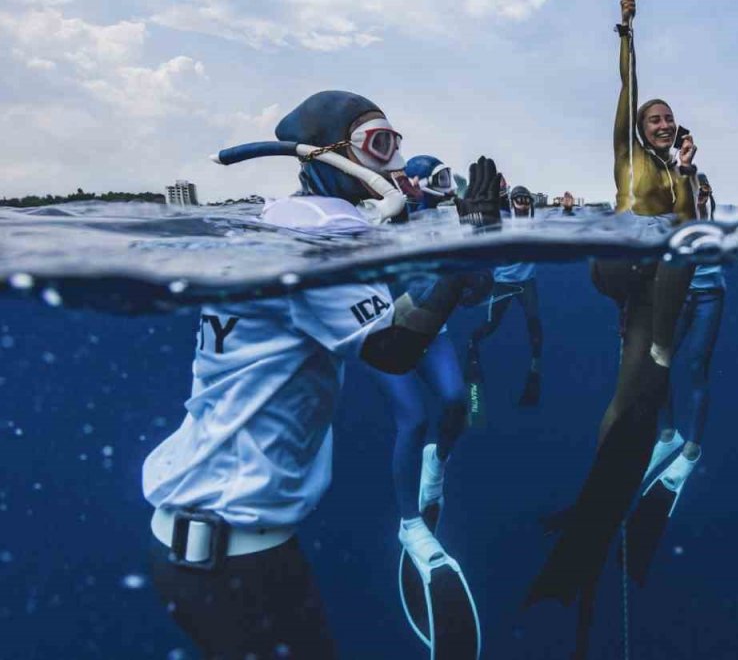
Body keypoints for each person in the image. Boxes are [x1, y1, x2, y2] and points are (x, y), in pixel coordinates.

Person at [144, 91, 499, 659]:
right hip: (222, 557)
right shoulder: (320, 233)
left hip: (249, 543)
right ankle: (414, 518)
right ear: (327, 155)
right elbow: (391, 351)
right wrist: (469, 249)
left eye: (394, 144)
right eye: (377, 144)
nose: (390, 162)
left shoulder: (292, 219)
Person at [526, 0, 697, 655]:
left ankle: (599, 489)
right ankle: (660, 351)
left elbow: (690, 228)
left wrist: (688, 171)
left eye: (668, 119)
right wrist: (627, 32)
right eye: (654, 117)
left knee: (631, 399)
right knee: (657, 340)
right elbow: (628, 89)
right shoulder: (626, 153)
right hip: (617, 264)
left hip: (654, 287)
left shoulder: (678, 173)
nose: (660, 122)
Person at [625, 172, 725, 585]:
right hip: (675, 298)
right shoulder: (666, 219)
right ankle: (667, 437)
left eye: (702, 191)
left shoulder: (714, 222)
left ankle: (691, 451)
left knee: (696, 368)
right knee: (658, 364)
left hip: (707, 298)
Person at [466, 184, 545, 408]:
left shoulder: (536, 223)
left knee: (535, 324)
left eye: (526, 199)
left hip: (526, 282)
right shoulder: (500, 222)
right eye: (518, 199)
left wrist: (568, 211)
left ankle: (535, 371)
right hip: (504, 283)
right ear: (511, 201)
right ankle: (472, 345)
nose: (522, 202)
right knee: (491, 325)